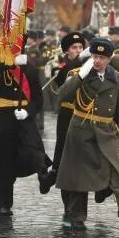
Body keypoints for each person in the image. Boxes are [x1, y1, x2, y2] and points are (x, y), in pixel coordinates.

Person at [55, 38, 119, 230]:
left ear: (110, 58)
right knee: (79, 176)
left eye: (102, 57)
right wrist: (80, 77)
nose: (98, 61)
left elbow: (118, 109)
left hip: (106, 129)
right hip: (81, 129)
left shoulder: (117, 78)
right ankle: (76, 216)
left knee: (115, 166)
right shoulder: (78, 73)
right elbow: (62, 95)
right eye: (95, 56)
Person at [0, 50, 53, 216]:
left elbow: (38, 99)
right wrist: (10, 63)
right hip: (3, 118)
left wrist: (29, 111)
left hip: (23, 117)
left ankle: (44, 178)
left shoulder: (30, 69)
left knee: (35, 150)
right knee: (4, 161)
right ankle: (5, 203)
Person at [44, 31, 87, 192]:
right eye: (74, 47)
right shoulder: (66, 69)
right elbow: (59, 87)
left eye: (81, 47)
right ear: (67, 51)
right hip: (68, 112)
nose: (78, 50)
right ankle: (55, 172)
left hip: (84, 113)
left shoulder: (88, 65)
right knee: (62, 147)